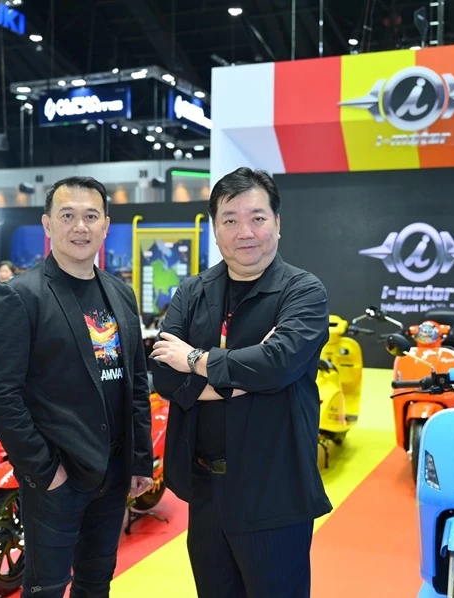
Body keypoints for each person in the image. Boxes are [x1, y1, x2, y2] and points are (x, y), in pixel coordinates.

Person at [150, 167, 333, 598]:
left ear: (277, 223)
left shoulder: (303, 291)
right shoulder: (192, 291)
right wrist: (246, 375)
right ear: (215, 229)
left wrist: (194, 359)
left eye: (257, 217)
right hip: (205, 489)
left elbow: (277, 364)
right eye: (230, 219)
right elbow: (164, 374)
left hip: (275, 491)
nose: (244, 232)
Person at [0, 176, 154, 598]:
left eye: (91, 216)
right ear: (48, 224)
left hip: (113, 475)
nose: (80, 226)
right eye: (68, 215)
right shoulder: (20, 296)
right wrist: (45, 470)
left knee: (96, 583)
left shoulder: (120, 294)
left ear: (105, 225)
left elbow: (135, 383)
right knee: (46, 588)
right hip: (58, 478)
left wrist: (139, 461)